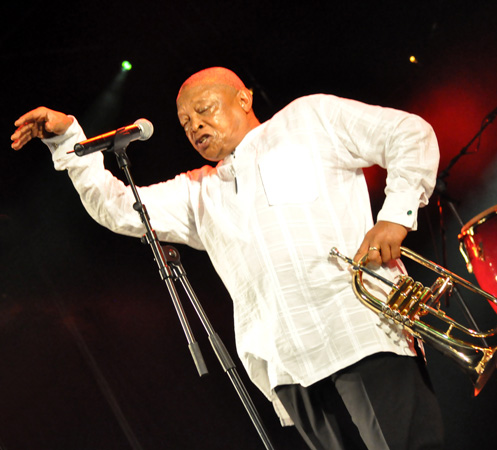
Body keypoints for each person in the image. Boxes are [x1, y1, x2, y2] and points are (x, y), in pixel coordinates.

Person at [11, 67, 443, 450]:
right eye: (185, 123)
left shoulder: (308, 119)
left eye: (204, 109)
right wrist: (70, 139)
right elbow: (118, 208)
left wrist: (396, 216)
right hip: (287, 363)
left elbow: (408, 133)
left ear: (243, 99)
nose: (195, 125)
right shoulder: (201, 191)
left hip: (355, 331)